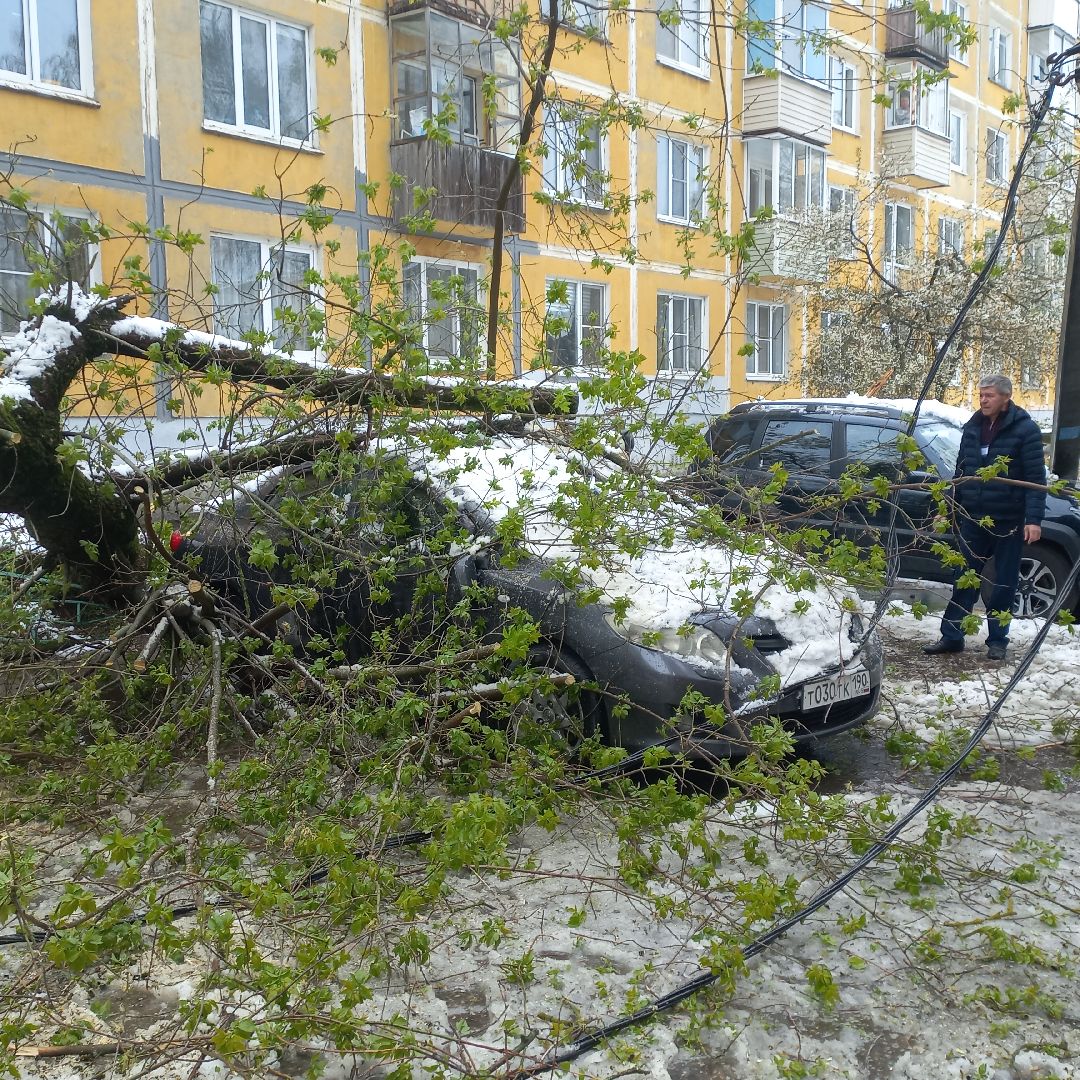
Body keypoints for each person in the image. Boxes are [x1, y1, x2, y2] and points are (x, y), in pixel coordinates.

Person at [923, 375, 1046, 661]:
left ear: (1006, 397)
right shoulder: (973, 427)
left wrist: (1034, 520)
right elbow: (960, 473)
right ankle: (952, 636)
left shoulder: (1025, 430)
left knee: (1003, 582)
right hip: (973, 518)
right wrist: (949, 508)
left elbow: (1036, 479)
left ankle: (998, 640)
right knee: (964, 578)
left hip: (1008, 521)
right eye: (981, 395)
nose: (983, 400)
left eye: (989, 395)